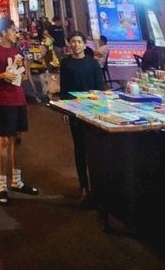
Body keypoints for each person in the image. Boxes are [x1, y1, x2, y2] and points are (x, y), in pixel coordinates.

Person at [0, 18, 39, 206]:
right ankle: (2, 185)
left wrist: (24, 69)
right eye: (13, 30)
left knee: (18, 138)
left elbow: (23, 73)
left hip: (19, 97)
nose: (16, 33)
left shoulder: (17, 50)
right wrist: (3, 75)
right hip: (4, 100)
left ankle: (17, 181)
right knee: (5, 140)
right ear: (3, 32)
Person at [59, 30, 105, 208]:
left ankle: (97, 187)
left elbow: (99, 88)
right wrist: (65, 109)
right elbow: (64, 88)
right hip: (75, 111)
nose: (76, 45)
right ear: (69, 44)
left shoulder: (92, 64)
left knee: (94, 149)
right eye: (73, 41)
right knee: (79, 149)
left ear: (84, 45)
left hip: (92, 110)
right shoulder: (66, 64)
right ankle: (84, 188)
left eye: (79, 41)